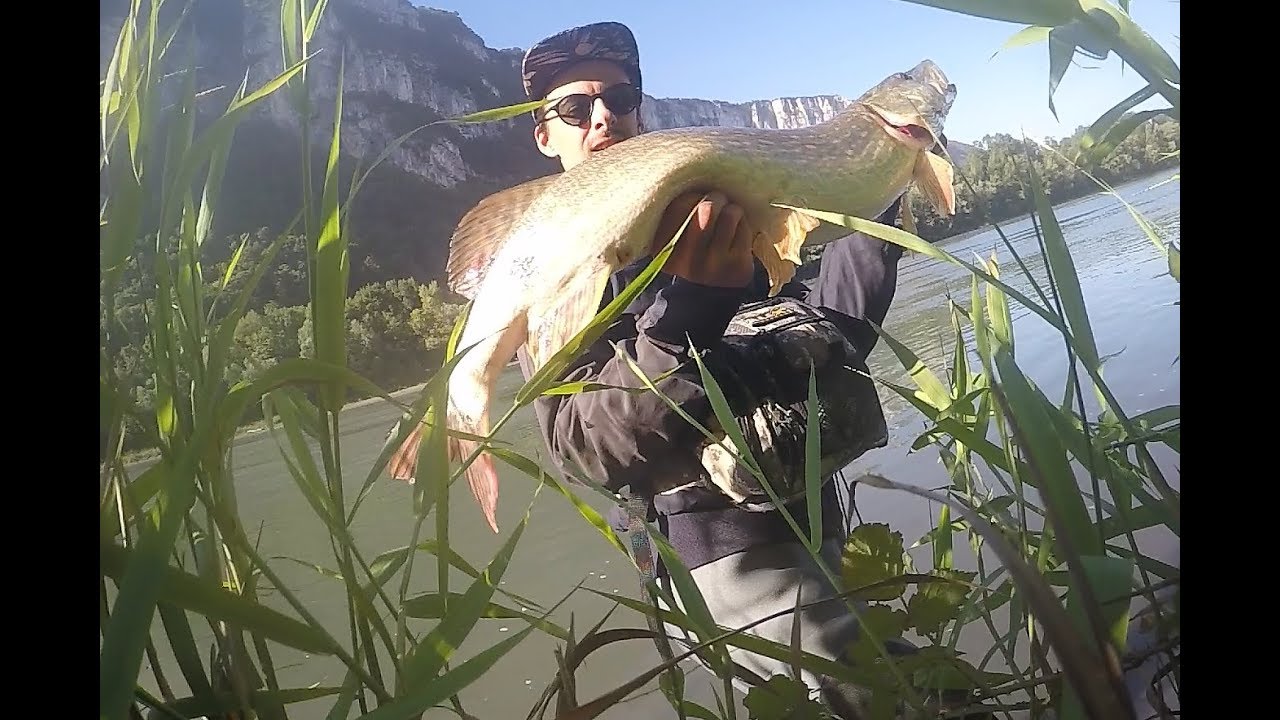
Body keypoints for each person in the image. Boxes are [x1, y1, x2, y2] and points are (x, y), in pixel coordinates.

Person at [393, 21, 950, 719]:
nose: (603, 116)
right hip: (724, 566)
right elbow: (589, 447)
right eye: (574, 108)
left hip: (821, 531)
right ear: (545, 136)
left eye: (621, 98)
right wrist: (690, 306)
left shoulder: (727, 223)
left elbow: (830, 336)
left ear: (641, 113)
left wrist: (880, 200)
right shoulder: (566, 269)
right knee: (919, 699)